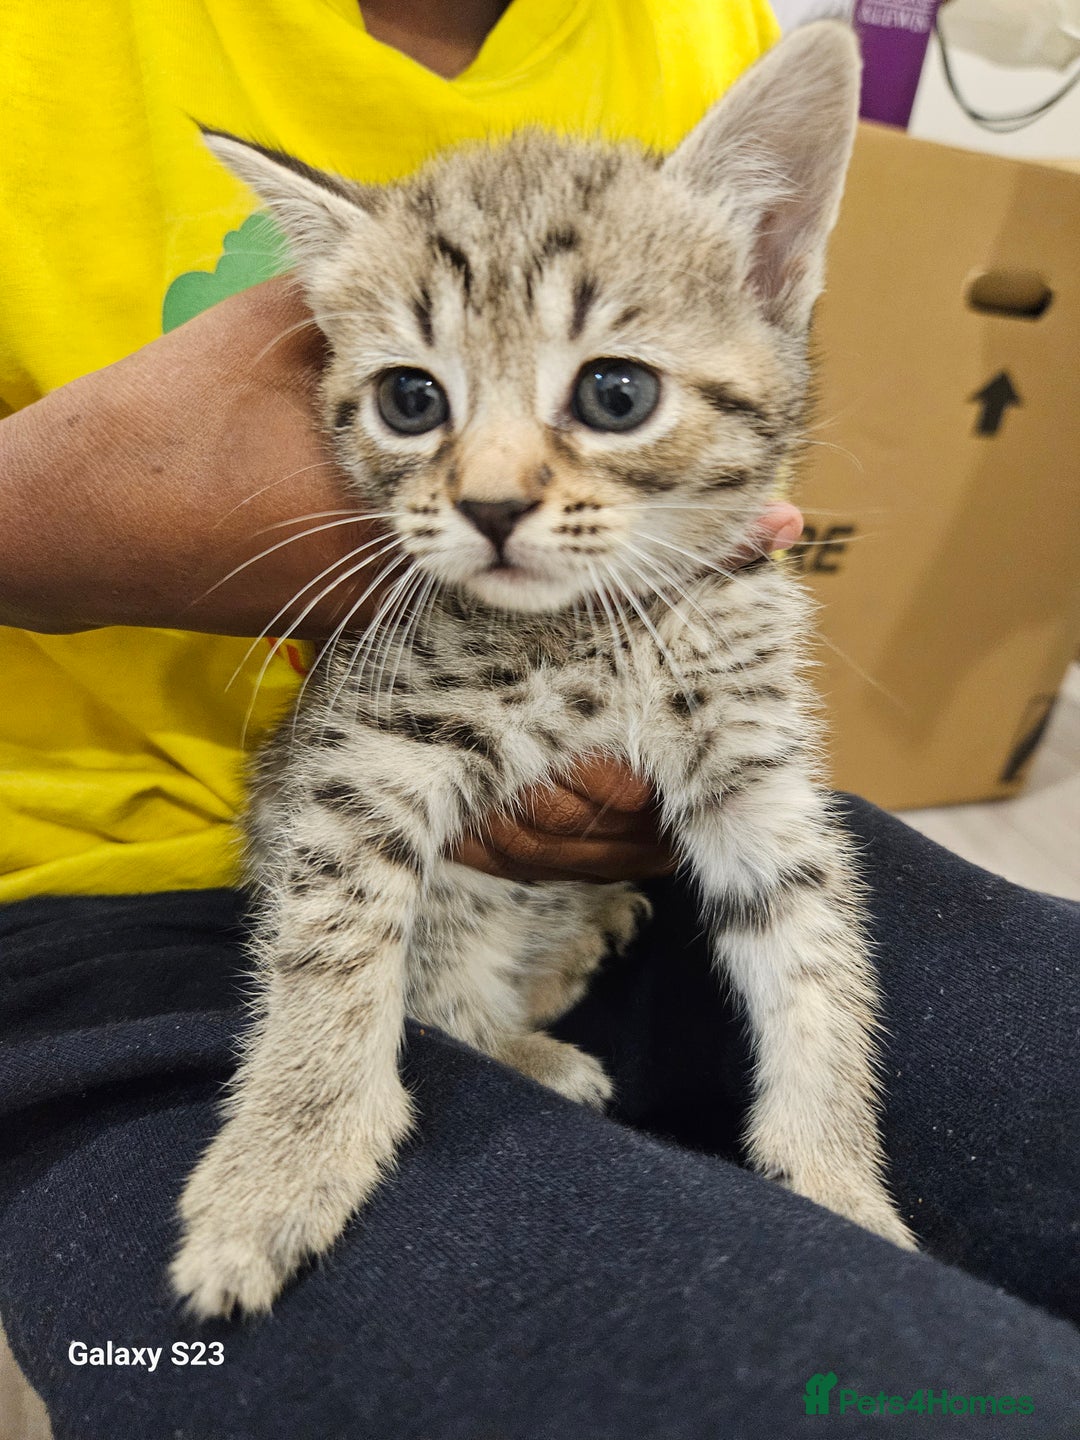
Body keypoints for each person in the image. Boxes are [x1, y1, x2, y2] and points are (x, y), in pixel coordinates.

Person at [1, 3, 1078, 1436]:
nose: (499, 487)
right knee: (916, 1394)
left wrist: (829, 1160)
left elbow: (772, 847)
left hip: (600, 893)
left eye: (608, 392)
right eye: (414, 400)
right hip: (79, 899)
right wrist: (45, 519)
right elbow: (352, 794)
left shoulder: (704, 34)